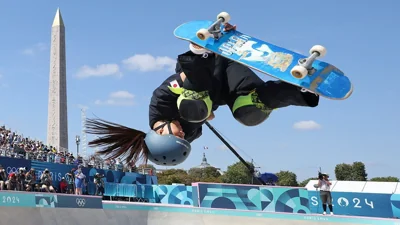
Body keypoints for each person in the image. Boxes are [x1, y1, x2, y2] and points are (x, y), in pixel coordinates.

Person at [85, 23, 319, 167]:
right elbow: (203, 120)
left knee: (192, 106)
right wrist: (206, 116)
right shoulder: (187, 137)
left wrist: (210, 51)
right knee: (248, 114)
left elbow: (184, 80)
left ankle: (201, 51)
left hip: (211, 69)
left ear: (160, 131)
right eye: (185, 138)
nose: (185, 133)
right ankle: (299, 91)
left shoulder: (159, 103)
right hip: (228, 87)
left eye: (179, 135)